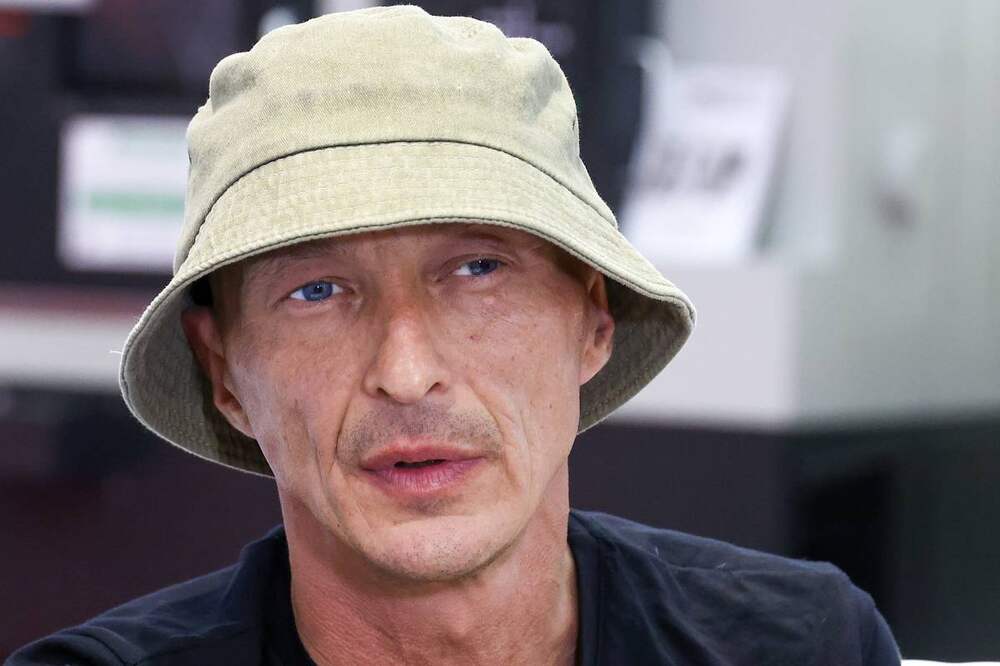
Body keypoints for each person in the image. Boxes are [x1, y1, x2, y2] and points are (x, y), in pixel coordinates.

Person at [9, 6, 901, 665]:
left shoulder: (800, 646)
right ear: (224, 371)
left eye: (478, 270)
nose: (406, 373)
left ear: (593, 317)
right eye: (317, 291)